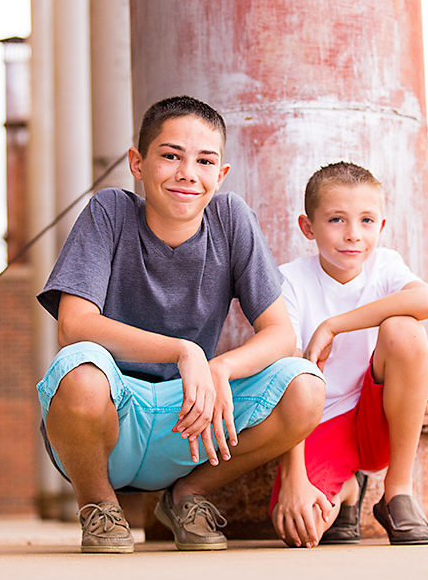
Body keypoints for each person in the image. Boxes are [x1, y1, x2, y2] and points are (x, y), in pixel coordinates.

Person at [35, 96, 325, 554]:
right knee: (78, 367)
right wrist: (184, 350)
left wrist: (220, 368)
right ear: (137, 163)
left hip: (191, 421)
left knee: (304, 387)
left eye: (204, 160)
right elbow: (74, 324)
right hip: (111, 416)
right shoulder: (109, 212)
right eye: (171, 155)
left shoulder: (231, 220)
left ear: (220, 175)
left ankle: (188, 496)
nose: (188, 172)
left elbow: (281, 334)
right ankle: (99, 506)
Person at [270, 161, 428, 548]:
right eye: (336, 220)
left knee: (404, 328)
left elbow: (427, 300)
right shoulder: (289, 281)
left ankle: (397, 492)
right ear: (307, 227)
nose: (352, 235)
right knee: (301, 526)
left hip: (377, 419)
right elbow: (283, 377)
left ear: (380, 227)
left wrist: (334, 325)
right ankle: (348, 490)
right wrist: (294, 477)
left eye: (366, 221)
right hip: (317, 422)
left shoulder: (385, 266)